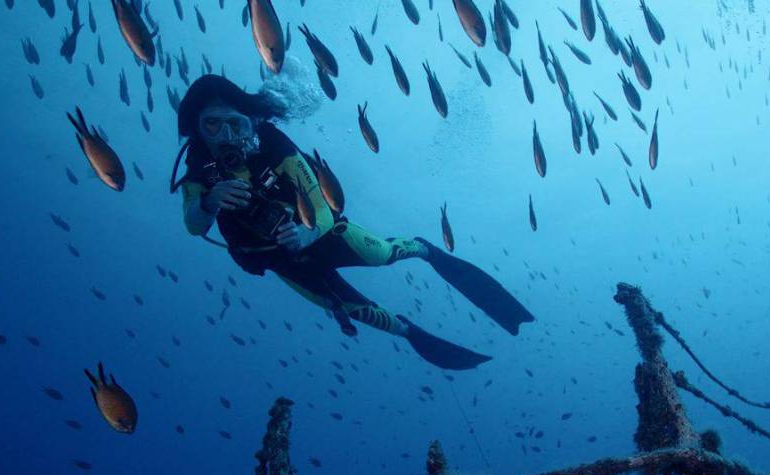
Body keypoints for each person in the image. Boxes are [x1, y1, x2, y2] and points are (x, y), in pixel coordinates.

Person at [170, 75, 533, 370]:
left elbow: (322, 207)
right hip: (278, 258)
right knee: (354, 310)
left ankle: (424, 249)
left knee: (384, 255)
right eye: (212, 125)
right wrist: (208, 200)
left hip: (323, 234)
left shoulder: (273, 145)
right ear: (198, 130)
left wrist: (306, 230)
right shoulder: (199, 167)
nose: (226, 137)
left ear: (252, 120)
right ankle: (412, 332)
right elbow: (193, 225)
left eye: (235, 123)